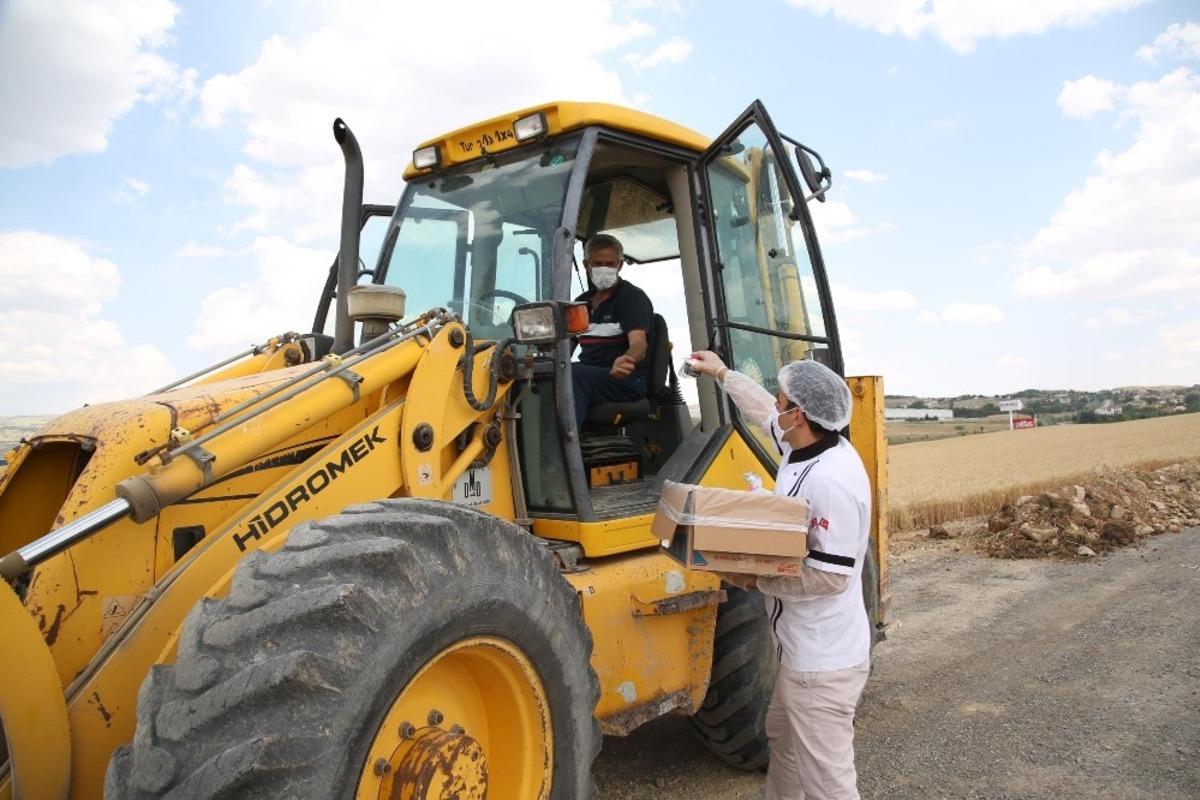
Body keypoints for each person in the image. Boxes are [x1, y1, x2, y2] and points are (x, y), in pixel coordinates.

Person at [688, 350, 872, 800]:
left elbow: (830, 577)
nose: (776, 405)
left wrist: (757, 579)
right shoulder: (803, 442)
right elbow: (759, 411)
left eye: (783, 400)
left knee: (829, 783)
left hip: (822, 663)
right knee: (784, 744)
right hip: (799, 656)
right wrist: (722, 373)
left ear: (801, 414)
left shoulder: (831, 480)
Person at [571, 233, 654, 427]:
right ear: (586, 265)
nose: (604, 269)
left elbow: (639, 344)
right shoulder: (580, 305)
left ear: (620, 265)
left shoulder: (631, 298)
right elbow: (565, 349)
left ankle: (561, 449)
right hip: (589, 376)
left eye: (610, 264)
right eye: (598, 264)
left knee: (575, 374)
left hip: (626, 381)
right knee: (552, 375)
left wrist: (627, 359)